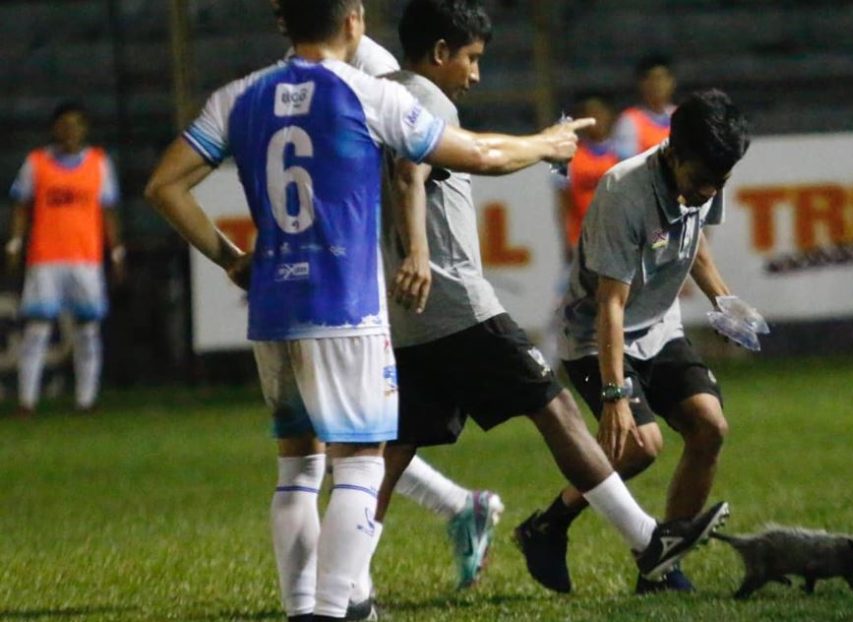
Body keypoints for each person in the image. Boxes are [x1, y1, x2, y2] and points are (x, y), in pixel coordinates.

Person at [144, 1, 596, 619]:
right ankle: (333, 612)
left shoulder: (238, 97)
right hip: (345, 309)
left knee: (298, 472)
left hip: (274, 307)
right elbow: (480, 156)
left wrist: (229, 258)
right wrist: (546, 143)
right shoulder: (367, 92)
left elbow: (163, 186)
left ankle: (303, 608)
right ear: (353, 19)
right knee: (358, 465)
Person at [372, 0, 729, 601]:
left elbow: (440, 158)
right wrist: (542, 144)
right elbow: (459, 160)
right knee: (554, 407)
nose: (476, 74)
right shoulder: (425, 100)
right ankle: (647, 541)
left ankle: (338, 581)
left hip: (409, 313)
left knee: (393, 449)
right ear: (438, 53)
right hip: (457, 300)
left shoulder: (380, 96)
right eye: (471, 58)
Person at [271, 0, 506, 591]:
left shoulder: (371, 65)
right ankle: (452, 511)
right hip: (332, 267)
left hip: (363, 271)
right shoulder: (298, 65)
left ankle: (354, 590)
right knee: (344, 436)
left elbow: (408, 164)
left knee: (342, 440)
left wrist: (411, 252)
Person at [516, 90, 751, 595]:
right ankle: (547, 526)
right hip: (593, 336)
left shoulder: (707, 172)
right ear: (673, 151)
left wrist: (723, 301)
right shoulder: (624, 193)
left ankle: (661, 565)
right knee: (640, 447)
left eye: (719, 183)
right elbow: (610, 305)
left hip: (659, 326)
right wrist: (614, 396)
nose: (708, 192)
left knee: (710, 428)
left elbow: (696, 242)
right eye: (700, 182)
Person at [6, 101, 126, 416]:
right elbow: (21, 206)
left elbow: (108, 211)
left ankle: (86, 401)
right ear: (54, 129)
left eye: (76, 124)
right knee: (37, 330)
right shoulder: (36, 163)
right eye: (64, 125)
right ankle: (27, 402)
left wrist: (116, 251)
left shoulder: (99, 163)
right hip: (45, 258)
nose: (70, 131)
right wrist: (15, 244)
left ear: (84, 128)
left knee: (87, 331)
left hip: (85, 259)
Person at [558, 94, 619, 261]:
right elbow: (562, 204)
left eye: (599, 113)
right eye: (588, 114)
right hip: (582, 240)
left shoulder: (623, 154)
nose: (595, 119)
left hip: (618, 238)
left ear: (609, 115)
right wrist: (565, 241)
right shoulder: (566, 156)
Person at [611, 54, 677, 159]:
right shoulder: (629, 120)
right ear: (641, 84)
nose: (657, 84)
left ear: (672, 82)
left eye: (661, 78)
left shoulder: (681, 115)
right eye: (651, 79)